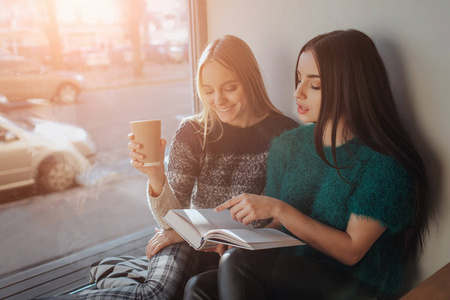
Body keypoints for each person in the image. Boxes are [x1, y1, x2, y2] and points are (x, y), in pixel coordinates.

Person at [40, 35, 297, 300]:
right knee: (156, 294)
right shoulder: (194, 131)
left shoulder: (286, 135)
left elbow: (287, 219)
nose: (218, 100)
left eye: (230, 87)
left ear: (250, 80)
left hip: (240, 254)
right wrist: (156, 175)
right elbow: (171, 221)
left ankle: (118, 272)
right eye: (208, 91)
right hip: (187, 238)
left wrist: (224, 240)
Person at [184, 29, 430, 300]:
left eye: (314, 85)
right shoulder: (289, 145)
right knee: (199, 285)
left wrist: (280, 209)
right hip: (293, 270)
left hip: (353, 285)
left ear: (351, 88)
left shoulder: (384, 164)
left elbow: (352, 251)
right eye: (299, 79)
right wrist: (236, 241)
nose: (297, 92)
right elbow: (279, 225)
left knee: (238, 265)